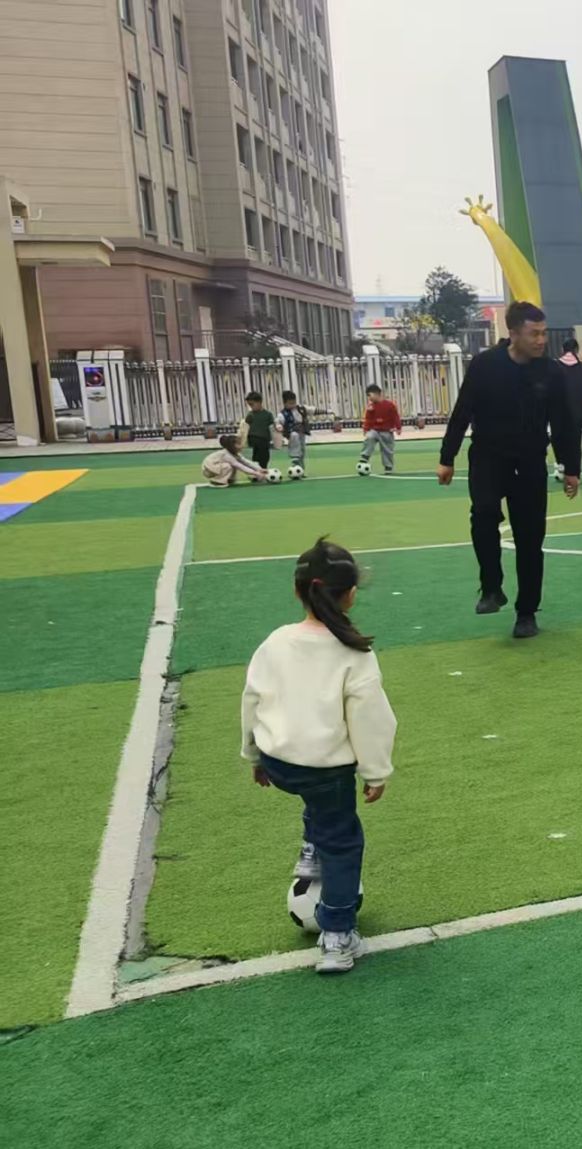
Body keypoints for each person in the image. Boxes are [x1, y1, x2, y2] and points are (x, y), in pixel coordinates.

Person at [240, 539, 397, 974]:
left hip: (279, 762)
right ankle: (337, 934)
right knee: (343, 841)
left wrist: (253, 756)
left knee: (319, 802)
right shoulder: (355, 653)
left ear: (298, 592)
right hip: (325, 770)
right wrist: (376, 772)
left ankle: (312, 848)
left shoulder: (275, 641)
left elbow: (251, 700)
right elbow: (370, 719)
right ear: (351, 595)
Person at [437, 301, 582, 640]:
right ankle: (491, 587)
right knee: (483, 514)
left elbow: (564, 424)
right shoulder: (485, 365)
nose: (541, 340)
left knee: (530, 540)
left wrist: (571, 468)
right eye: (534, 334)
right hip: (488, 458)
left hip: (530, 462)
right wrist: (447, 457)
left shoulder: (551, 373)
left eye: (544, 333)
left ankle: (526, 613)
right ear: (513, 333)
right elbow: (462, 412)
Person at [202, 433, 271, 487]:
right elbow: (241, 467)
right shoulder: (226, 455)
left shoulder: (236, 455)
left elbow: (246, 462)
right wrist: (256, 473)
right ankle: (217, 482)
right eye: (238, 444)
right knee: (228, 466)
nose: (241, 446)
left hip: (215, 468)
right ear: (232, 446)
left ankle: (230, 480)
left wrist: (260, 469)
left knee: (232, 465)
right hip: (208, 470)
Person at [360, 384, 400, 474]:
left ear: (377, 394)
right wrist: (366, 429)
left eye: (369, 395)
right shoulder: (371, 407)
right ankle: (365, 456)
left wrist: (398, 427)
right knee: (369, 437)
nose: (369, 398)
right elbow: (368, 419)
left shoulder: (389, 405)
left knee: (387, 449)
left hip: (387, 431)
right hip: (375, 430)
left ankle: (388, 466)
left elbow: (395, 416)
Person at [279, 389, 310, 475]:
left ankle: (301, 470)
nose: (293, 405)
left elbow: (312, 410)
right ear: (284, 403)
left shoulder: (301, 409)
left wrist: (327, 411)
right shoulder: (283, 414)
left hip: (302, 432)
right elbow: (278, 421)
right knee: (295, 440)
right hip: (291, 433)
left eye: (294, 402)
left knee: (302, 450)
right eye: (290, 403)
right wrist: (279, 427)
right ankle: (295, 462)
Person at [242, 391, 276, 470]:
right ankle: (258, 470)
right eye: (249, 405)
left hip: (264, 439)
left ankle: (262, 469)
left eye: (252, 404)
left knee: (264, 456)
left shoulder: (268, 414)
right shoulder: (250, 415)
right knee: (256, 456)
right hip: (254, 438)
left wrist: (274, 440)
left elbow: (272, 428)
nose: (251, 407)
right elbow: (245, 427)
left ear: (259, 402)